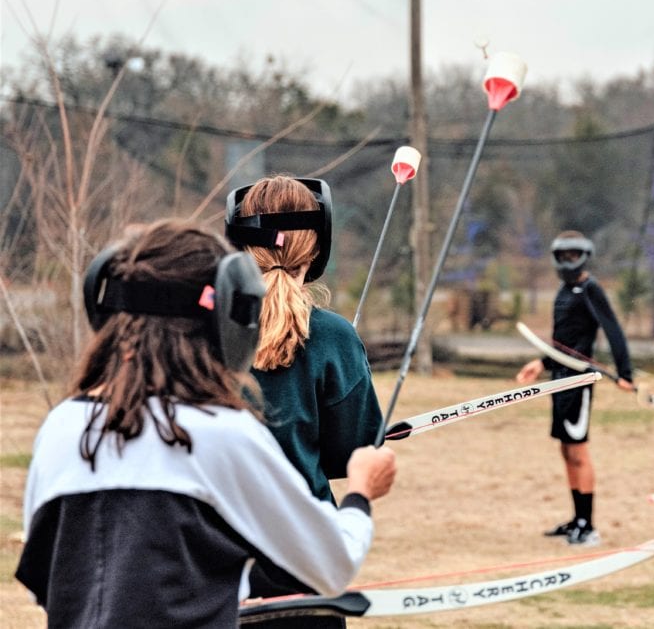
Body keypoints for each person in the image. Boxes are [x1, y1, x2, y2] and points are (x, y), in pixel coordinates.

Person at [15, 219, 397, 627]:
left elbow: (52, 582)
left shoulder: (61, 429)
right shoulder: (223, 434)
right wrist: (360, 491)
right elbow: (331, 564)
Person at [224, 175, 383, 506]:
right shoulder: (334, 336)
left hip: (210, 541)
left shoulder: (199, 327)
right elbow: (353, 455)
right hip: (306, 537)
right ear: (316, 248)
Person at [516, 231, 634, 546]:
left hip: (579, 381)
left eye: (573, 255)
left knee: (579, 450)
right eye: (562, 255)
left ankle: (588, 525)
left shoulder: (590, 290)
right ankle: (575, 520)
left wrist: (625, 373)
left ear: (583, 256)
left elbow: (613, 331)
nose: (568, 261)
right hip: (558, 377)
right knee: (566, 449)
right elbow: (562, 341)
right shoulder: (565, 291)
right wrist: (541, 363)